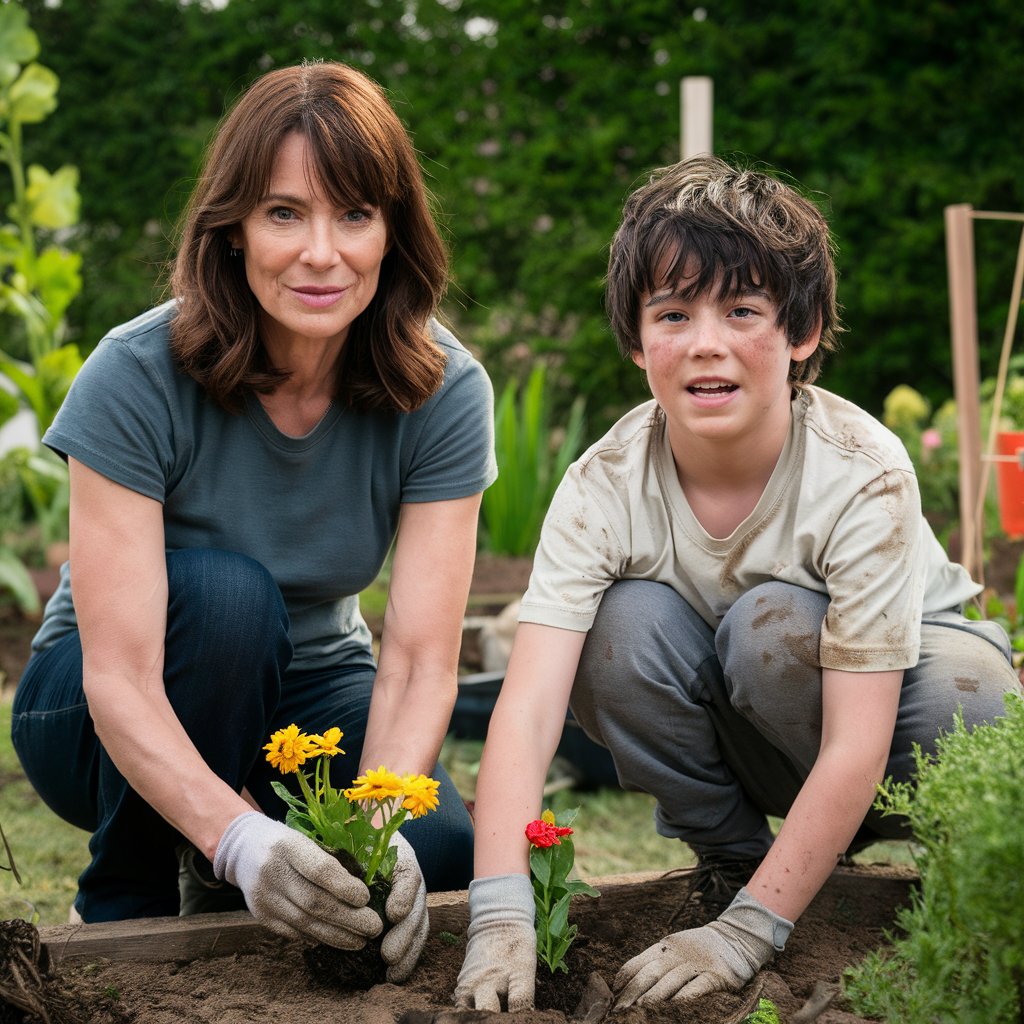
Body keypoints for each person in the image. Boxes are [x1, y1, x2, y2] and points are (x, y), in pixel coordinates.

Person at [454, 156, 1021, 1010]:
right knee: (616, 630)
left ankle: (914, 879)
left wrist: (748, 936)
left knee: (809, 639)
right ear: (637, 339)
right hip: (750, 734)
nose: (706, 342)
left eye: (743, 309)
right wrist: (499, 913)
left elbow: (859, 740)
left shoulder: (861, 471)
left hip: (893, 712)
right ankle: (735, 860)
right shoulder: (603, 486)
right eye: (673, 313)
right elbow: (528, 708)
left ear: (802, 333)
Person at [11, 61, 495, 983]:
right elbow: (118, 674)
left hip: (309, 698)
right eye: (284, 213)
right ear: (232, 227)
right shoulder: (136, 373)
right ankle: (128, 900)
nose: (323, 253)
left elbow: (420, 659)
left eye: (354, 214)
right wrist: (242, 839)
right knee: (231, 600)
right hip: (97, 709)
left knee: (440, 850)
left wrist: (380, 823)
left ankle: (237, 874)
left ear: (394, 232)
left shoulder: (442, 387)